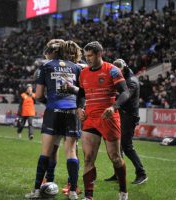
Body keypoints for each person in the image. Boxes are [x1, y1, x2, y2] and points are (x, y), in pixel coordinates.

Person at [25, 39, 81, 200]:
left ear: (52, 52)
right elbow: (81, 92)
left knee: (46, 152)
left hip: (53, 112)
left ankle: (36, 190)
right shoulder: (76, 67)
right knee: (71, 152)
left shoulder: (46, 66)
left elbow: (39, 95)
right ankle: (72, 192)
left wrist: (49, 103)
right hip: (71, 111)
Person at [77, 41, 130, 200]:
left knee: (114, 157)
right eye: (86, 56)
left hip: (109, 117)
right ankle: (88, 196)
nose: (87, 59)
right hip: (90, 118)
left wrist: (114, 107)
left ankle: (123, 191)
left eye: (90, 55)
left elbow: (125, 93)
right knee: (88, 158)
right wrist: (80, 108)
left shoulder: (112, 70)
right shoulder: (83, 73)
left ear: (100, 54)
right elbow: (80, 94)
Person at [41, 40, 83, 196]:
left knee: (71, 148)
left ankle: (73, 184)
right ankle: (56, 181)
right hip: (71, 111)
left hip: (73, 110)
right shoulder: (75, 66)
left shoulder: (77, 67)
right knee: (60, 147)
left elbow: (83, 92)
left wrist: (80, 107)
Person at [104, 59, 148, 184]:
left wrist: (113, 102)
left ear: (124, 68)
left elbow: (126, 95)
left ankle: (142, 173)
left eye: (119, 71)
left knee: (126, 145)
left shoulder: (131, 82)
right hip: (123, 115)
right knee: (119, 146)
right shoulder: (126, 79)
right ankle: (118, 173)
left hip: (129, 116)